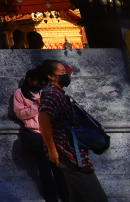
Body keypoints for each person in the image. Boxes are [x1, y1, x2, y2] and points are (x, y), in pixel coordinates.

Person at [38, 59, 109, 202]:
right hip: (68, 152)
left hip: (72, 150)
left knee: (77, 196)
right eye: (62, 72)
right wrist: (52, 149)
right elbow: (44, 119)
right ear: (51, 76)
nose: (66, 75)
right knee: (97, 198)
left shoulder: (58, 93)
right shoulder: (52, 93)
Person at [14, 68, 68, 202]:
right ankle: (51, 198)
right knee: (44, 170)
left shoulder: (47, 92)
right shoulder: (20, 94)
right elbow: (20, 114)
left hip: (53, 134)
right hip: (36, 135)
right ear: (30, 80)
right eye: (38, 80)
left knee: (59, 168)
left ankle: (67, 196)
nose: (40, 83)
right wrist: (36, 106)